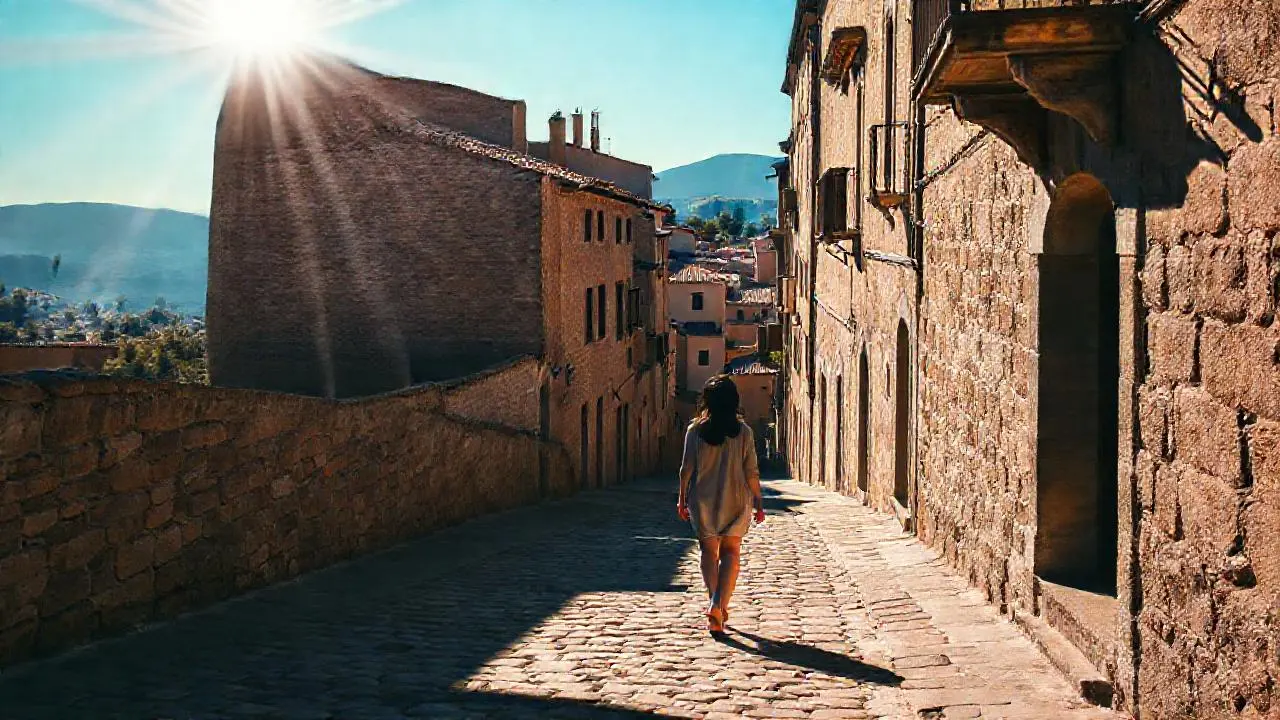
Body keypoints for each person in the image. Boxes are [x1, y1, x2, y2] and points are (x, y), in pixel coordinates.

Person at [677, 375, 765, 633]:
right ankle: (718, 604)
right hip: (736, 499)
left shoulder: (695, 431)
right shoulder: (744, 433)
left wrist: (682, 498)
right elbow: (752, 472)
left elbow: (686, 469)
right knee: (731, 553)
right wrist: (758, 501)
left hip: (703, 498)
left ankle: (715, 604)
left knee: (708, 552)